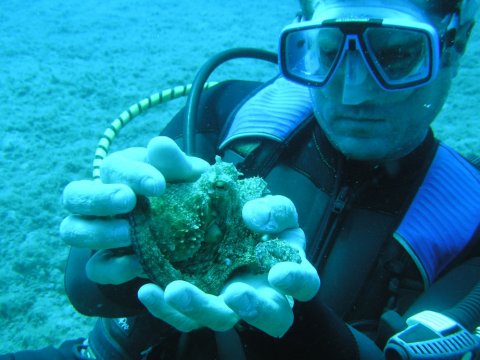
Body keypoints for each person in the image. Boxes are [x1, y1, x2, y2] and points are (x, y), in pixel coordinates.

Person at [2, 0, 480, 359]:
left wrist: (287, 319)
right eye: (328, 53)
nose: (354, 90)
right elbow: (87, 289)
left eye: (396, 56)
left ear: (454, 45)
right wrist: (117, 244)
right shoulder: (229, 114)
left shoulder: (467, 220)